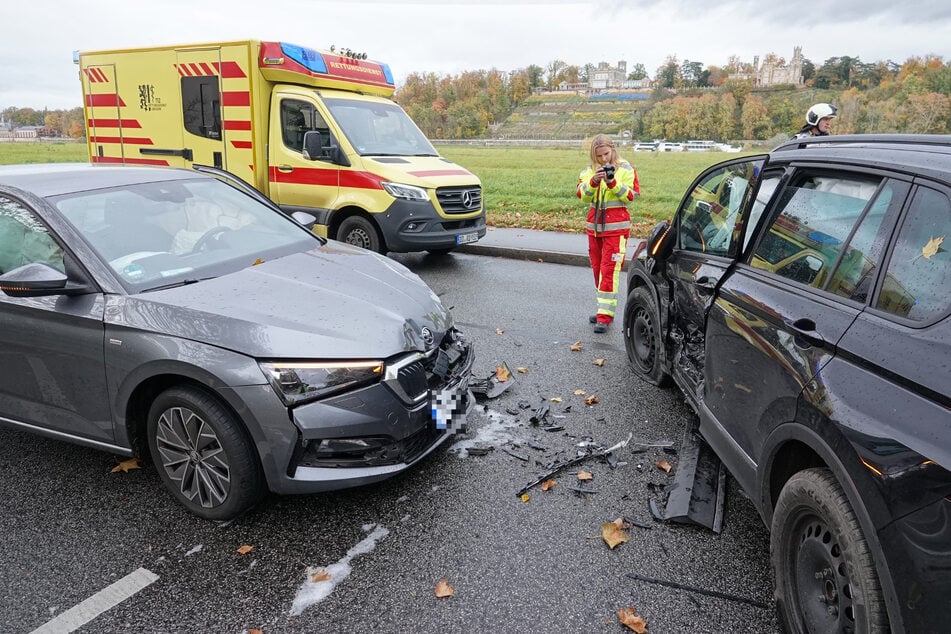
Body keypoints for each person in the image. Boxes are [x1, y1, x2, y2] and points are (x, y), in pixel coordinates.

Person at [577, 134, 639, 333]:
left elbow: (631, 196)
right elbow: (582, 195)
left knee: (609, 270)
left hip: (616, 229)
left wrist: (612, 182)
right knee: (598, 270)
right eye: (599, 156)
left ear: (613, 149)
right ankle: (603, 309)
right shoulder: (589, 171)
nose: (604, 159)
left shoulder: (627, 169)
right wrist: (594, 181)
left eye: (606, 154)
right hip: (594, 229)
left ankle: (605, 317)